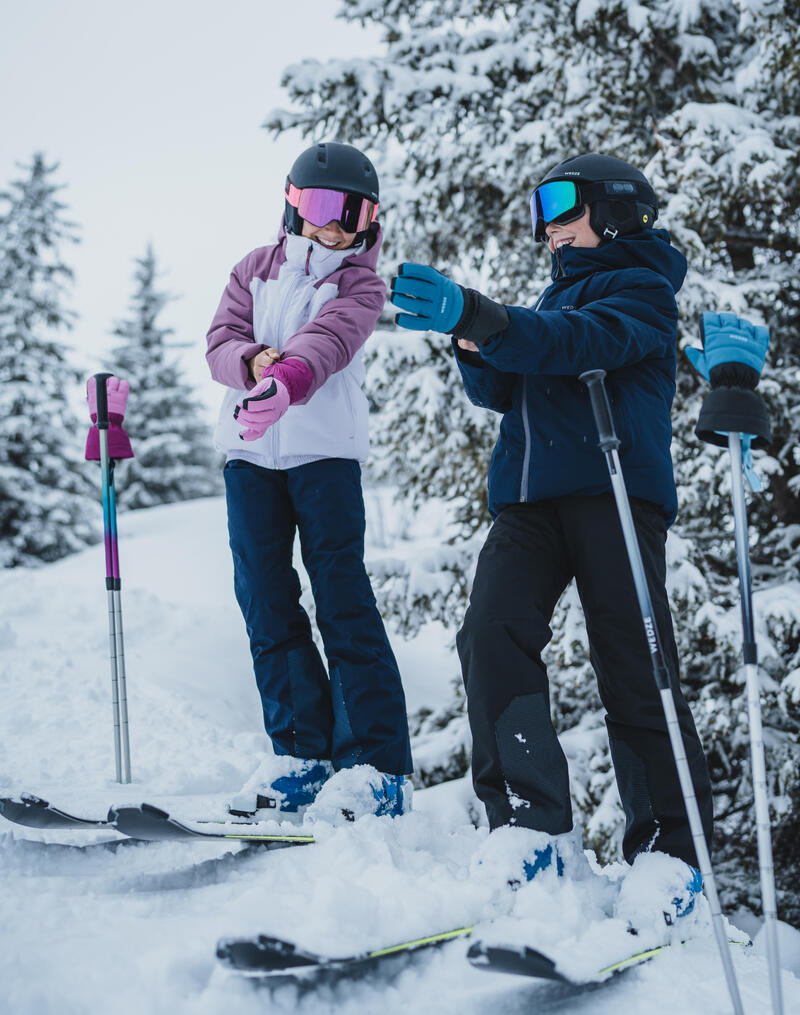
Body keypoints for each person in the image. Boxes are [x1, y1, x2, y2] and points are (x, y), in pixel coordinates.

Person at [390, 153, 713, 918]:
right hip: (530, 502)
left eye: (562, 208)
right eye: (540, 215)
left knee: (633, 662)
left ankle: (672, 853)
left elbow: (577, 343)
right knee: (490, 633)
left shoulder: (642, 289)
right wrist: (471, 341)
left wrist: (480, 316)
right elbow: (507, 385)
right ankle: (530, 825)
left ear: (617, 210)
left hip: (614, 494)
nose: (549, 229)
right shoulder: (553, 295)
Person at [206, 141, 413, 823]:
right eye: (321, 207)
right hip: (249, 455)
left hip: (324, 456)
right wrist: (249, 361)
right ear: (292, 205)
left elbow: (332, 340)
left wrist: (285, 379)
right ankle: (301, 753)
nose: (334, 226)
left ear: (368, 221)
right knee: (265, 599)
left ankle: (375, 765)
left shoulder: (360, 283)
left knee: (341, 598)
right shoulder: (253, 269)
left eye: (351, 214)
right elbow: (219, 340)